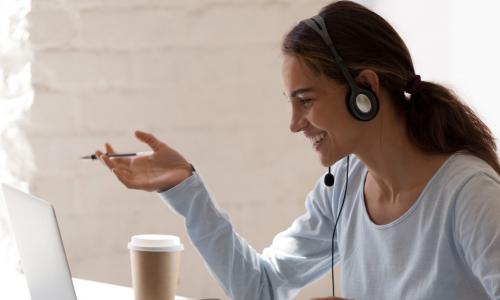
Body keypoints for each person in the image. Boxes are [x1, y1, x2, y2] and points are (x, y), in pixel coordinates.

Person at [96, 1, 500, 299]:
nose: (294, 124)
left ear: (366, 91)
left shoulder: (470, 195)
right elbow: (262, 287)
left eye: (306, 101)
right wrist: (186, 190)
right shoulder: (344, 184)